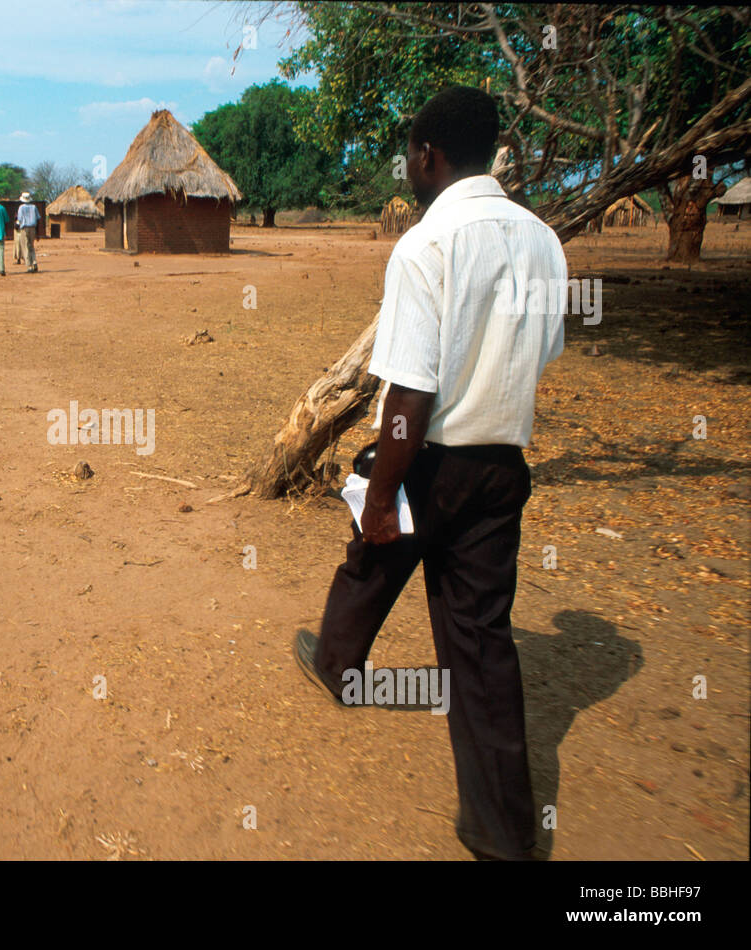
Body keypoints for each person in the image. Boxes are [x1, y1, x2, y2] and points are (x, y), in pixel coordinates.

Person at [291, 85, 567, 861]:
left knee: (375, 549)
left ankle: (339, 665)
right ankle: (503, 833)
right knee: (480, 645)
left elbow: (409, 393)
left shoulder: (425, 245)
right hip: (502, 464)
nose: (407, 171)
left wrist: (381, 494)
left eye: (409, 158)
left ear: (427, 156)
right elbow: (540, 354)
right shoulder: (544, 241)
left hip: (426, 458)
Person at [14, 192, 40, 273]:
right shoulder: (34, 207)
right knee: (31, 246)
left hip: (24, 228)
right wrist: (37, 232)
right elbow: (38, 219)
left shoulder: (21, 208)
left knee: (25, 247)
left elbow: (20, 219)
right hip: (33, 228)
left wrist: (16, 225)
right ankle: (34, 262)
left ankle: (29, 266)